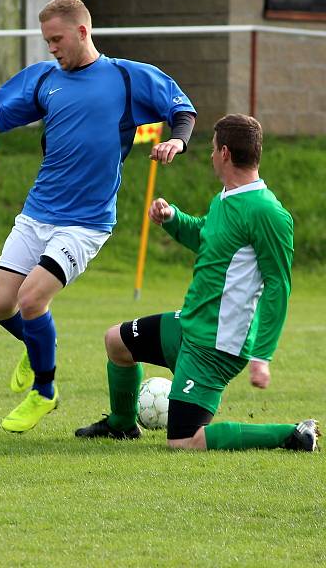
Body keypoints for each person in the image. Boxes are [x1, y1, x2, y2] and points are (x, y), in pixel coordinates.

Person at [0, 0, 196, 433]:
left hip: (86, 222)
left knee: (32, 299)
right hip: (38, 212)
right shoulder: (44, 78)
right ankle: (37, 347)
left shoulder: (125, 77)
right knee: (2, 304)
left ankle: (45, 389)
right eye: (46, 41)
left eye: (57, 39)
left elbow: (182, 109)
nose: (51, 48)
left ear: (82, 32)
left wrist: (177, 140)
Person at [76, 114, 318, 451]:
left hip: (216, 345)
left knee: (183, 442)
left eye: (212, 148)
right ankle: (121, 425)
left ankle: (294, 434)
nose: (209, 155)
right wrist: (172, 218)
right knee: (116, 341)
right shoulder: (225, 198)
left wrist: (263, 356)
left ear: (225, 153)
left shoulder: (268, 213)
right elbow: (207, 238)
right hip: (191, 325)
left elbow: (278, 285)